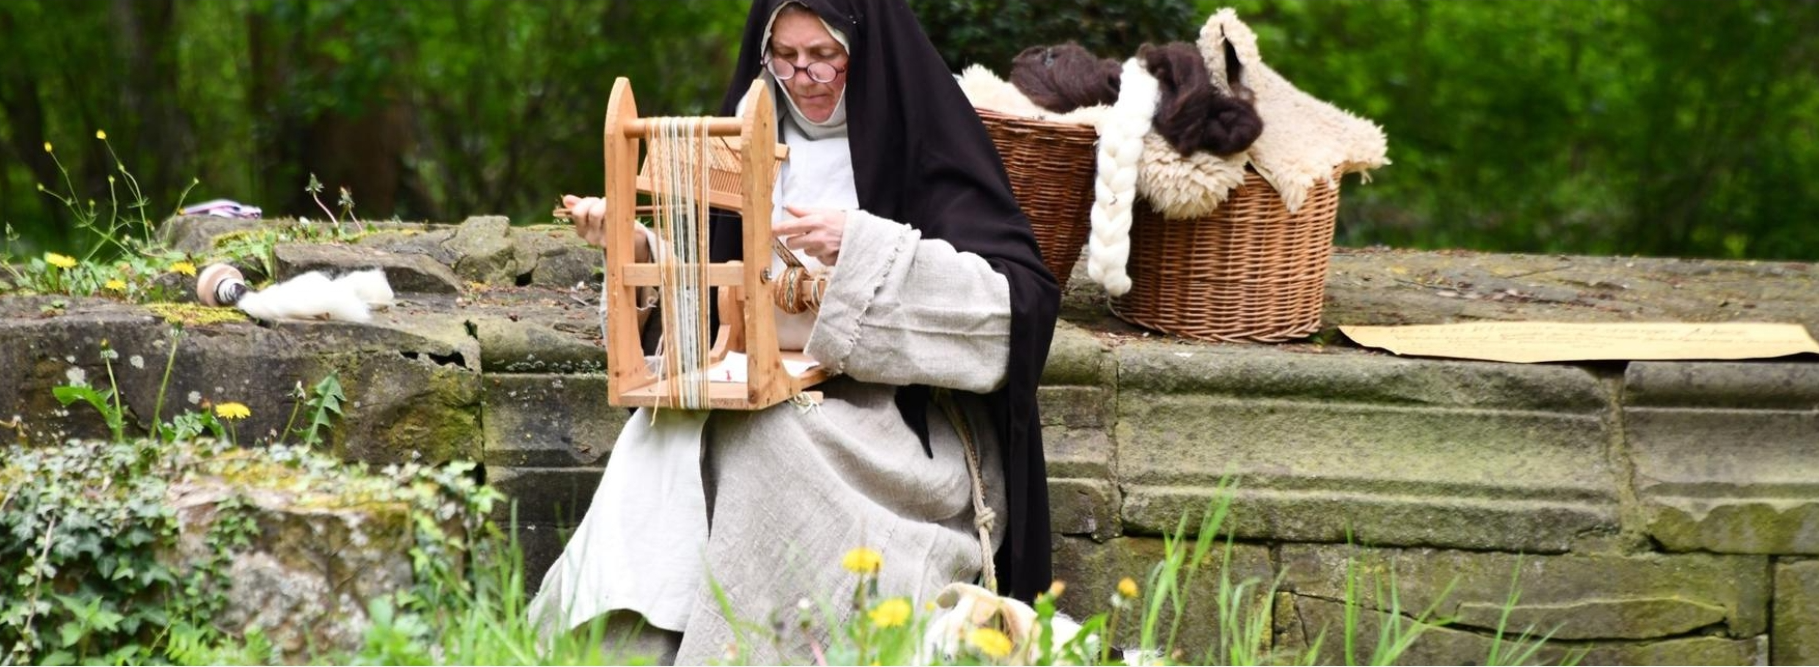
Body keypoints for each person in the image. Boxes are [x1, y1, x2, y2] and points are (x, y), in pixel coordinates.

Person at [534, 0, 1060, 662]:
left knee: (765, 439)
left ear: (862, 52)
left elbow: (1016, 306)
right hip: (766, 390)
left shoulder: (921, 140)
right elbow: (706, 300)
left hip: (898, 427)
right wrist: (637, 248)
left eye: (824, 57)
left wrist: (862, 247)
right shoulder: (743, 140)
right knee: (664, 431)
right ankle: (622, 650)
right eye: (784, 57)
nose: (803, 77)